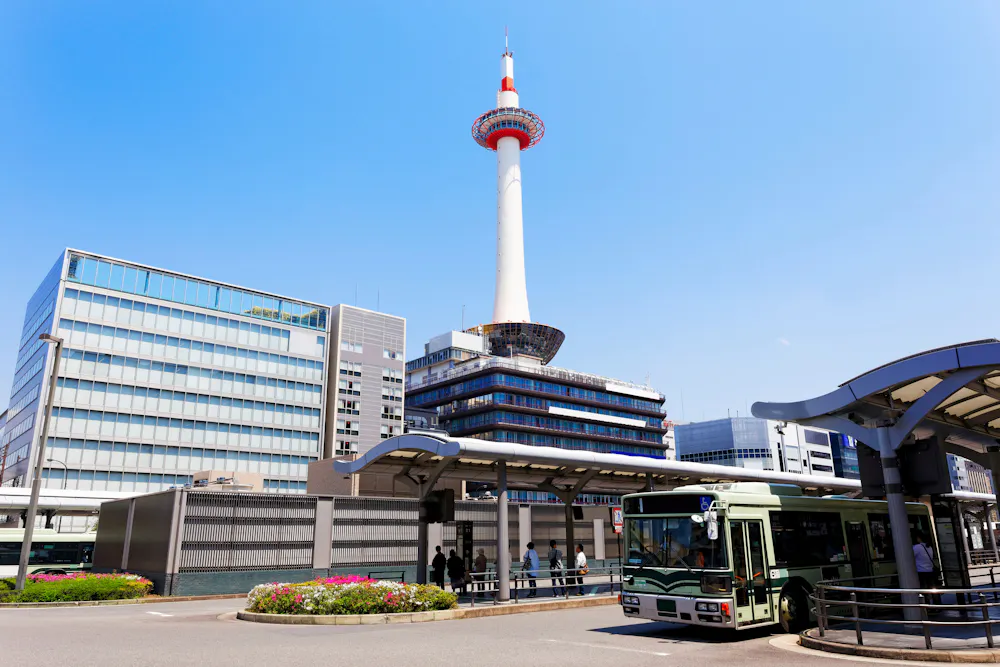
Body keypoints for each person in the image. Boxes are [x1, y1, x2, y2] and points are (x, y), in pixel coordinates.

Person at [913, 533, 939, 603]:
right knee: (932, 588)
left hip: (921, 571)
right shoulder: (929, 547)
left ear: (919, 538)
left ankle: (927, 603)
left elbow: (911, 556)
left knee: (924, 589)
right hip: (930, 570)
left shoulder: (917, 547)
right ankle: (937, 603)